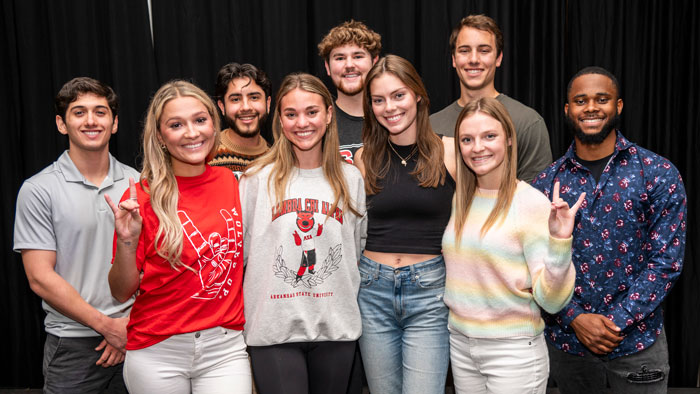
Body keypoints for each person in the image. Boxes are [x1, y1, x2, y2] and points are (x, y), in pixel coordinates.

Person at [532, 66, 687, 393]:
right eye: (580, 100)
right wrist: (574, 317)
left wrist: (614, 323)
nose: (590, 107)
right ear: (567, 110)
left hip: (638, 345)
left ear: (618, 106)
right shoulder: (546, 184)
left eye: (601, 99)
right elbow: (535, 264)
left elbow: (666, 262)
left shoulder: (657, 173)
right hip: (567, 345)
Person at [106, 80, 250, 393]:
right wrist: (127, 242)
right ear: (159, 135)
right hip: (158, 351)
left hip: (223, 349)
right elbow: (121, 292)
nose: (192, 132)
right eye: (176, 124)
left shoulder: (230, 182)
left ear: (214, 122)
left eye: (200, 120)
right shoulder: (141, 197)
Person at [442, 97, 580, 393]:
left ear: (508, 139)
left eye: (489, 136)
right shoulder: (460, 201)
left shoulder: (530, 203)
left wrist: (559, 242)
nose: (477, 147)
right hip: (462, 346)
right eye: (467, 139)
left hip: (513, 352)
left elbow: (553, 302)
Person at [240, 73, 366, 394]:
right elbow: (241, 254)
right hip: (273, 330)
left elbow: (357, 249)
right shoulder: (256, 179)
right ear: (279, 120)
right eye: (291, 114)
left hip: (336, 329)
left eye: (311, 112)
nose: (302, 123)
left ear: (328, 114)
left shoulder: (350, 179)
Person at [13, 77, 137, 393]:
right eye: (79, 112)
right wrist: (108, 327)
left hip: (139, 337)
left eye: (100, 111)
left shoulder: (140, 183)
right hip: (73, 345)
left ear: (115, 122)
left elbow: (155, 265)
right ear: (61, 124)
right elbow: (40, 278)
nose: (91, 120)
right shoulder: (39, 189)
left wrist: (129, 328)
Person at [354, 54, 457, 394]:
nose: (390, 107)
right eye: (379, 100)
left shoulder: (450, 153)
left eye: (398, 95)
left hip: (430, 293)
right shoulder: (363, 157)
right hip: (372, 291)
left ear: (417, 96)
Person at [430, 14, 552, 183]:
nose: (473, 59)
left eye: (484, 51)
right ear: (453, 59)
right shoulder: (431, 127)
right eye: (464, 51)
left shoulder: (527, 122)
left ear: (498, 58)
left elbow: (537, 200)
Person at [318, 20, 381, 164]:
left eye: (358, 56)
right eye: (340, 58)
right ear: (328, 67)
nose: (349, 65)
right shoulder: (318, 122)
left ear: (375, 62)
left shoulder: (393, 117)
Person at [209, 62, 271, 178]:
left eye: (254, 97)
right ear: (222, 106)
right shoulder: (206, 154)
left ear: (268, 103)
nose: (246, 107)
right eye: (236, 99)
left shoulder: (278, 159)